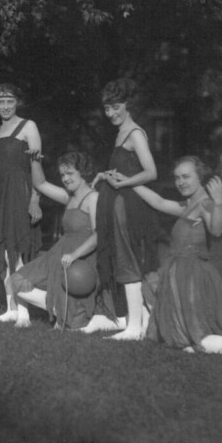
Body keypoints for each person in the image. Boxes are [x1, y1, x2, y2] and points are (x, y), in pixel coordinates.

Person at [132, 158, 222, 357]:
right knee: (182, 338)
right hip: (180, 274)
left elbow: (216, 230)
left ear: (200, 178)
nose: (180, 182)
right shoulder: (188, 205)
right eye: (177, 178)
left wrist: (220, 202)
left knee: (197, 337)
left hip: (192, 277)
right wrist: (129, 183)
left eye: (186, 177)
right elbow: (159, 202)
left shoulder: (205, 203)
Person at [85, 78, 162, 340]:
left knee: (128, 258)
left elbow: (151, 171)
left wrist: (125, 182)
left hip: (128, 206)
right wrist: (104, 175)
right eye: (107, 109)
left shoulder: (136, 134)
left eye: (115, 107)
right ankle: (140, 320)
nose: (111, 114)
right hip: (117, 202)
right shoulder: (120, 133)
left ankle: (134, 328)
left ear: (127, 104)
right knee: (122, 257)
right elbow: (124, 169)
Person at [7, 152, 99, 330]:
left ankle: (63, 307)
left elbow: (98, 235)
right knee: (16, 281)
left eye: (70, 173)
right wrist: (35, 161)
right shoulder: (68, 196)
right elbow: (40, 184)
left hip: (81, 259)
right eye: (62, 175)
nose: (65, 179)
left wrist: (74, 255)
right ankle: (56, 306)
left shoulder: (93, 198)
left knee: (73, 322)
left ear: (83, 172)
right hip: (59, 253)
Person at [0, 84, 43, 322]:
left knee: (17, 250)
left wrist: (35, 201)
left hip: (19, 193)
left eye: (10, 101)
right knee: (6, 253)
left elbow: (36, 168)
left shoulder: (29, 126)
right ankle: (12, 308)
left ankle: (25, 311)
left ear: (18, 102)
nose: (6, 106)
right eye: (1, 101)